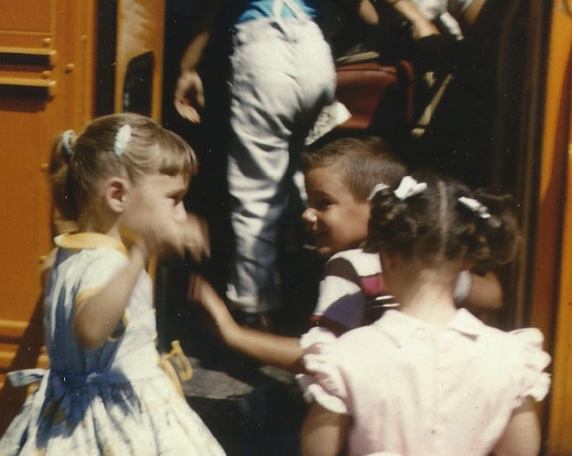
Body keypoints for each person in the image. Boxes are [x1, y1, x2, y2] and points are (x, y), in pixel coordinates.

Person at [0, 113, 246, 456]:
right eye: (174, 199)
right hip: (110, 423)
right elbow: (89, 329)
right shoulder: (110, 264)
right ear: (117, 195)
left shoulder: (66, 252)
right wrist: (142, 253)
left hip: (76, 410)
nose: (181, 215)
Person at [174, 0, 378, 327]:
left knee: (256, 190)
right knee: (293, 166)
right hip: (314, 53)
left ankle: (254, 311)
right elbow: (370, 16)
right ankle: (302, 276)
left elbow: (210, 8)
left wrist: (188, 67)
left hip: (262, 56)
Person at [298, 172, 550, 456]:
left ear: (387, 257)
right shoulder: (508, 353)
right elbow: (522, 453)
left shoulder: (349, 352)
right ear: (468, 261)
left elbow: (317, 452)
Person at [189, 136, 503, 371]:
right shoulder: (423, 259)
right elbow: (493, 296)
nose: (307, 215)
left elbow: (321, 358)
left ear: (375, 206)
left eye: (323, 203)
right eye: (307, 203)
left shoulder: (346, 267)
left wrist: (233, 334)